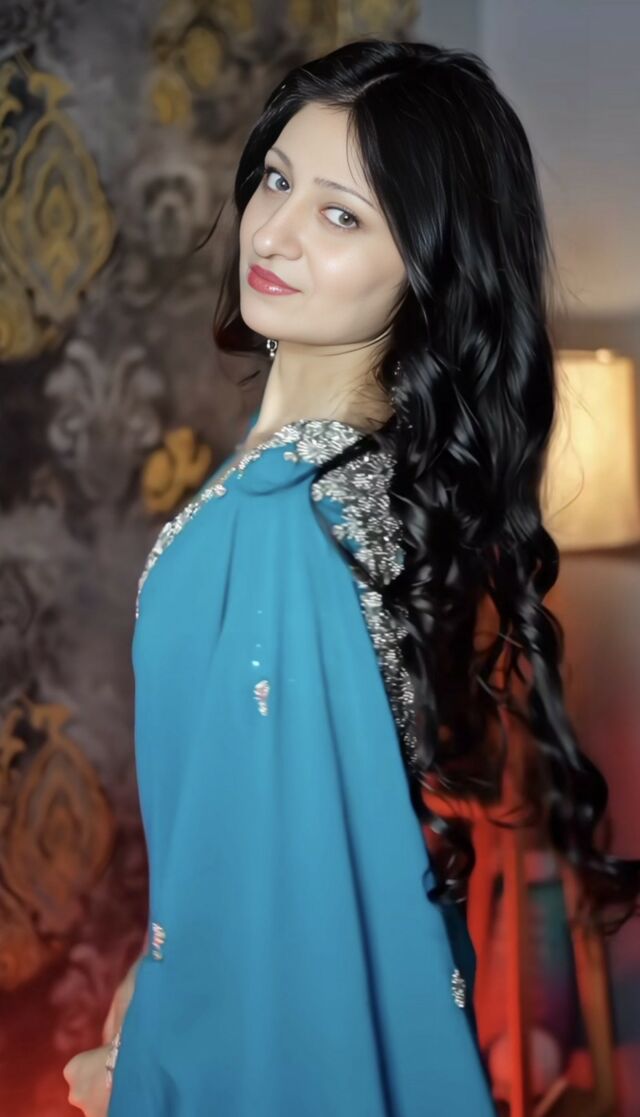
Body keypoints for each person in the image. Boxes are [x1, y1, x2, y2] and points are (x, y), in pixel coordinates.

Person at [64, 37, 640, 1117]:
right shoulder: (348, 480)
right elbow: (258, 850)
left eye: (341, 215)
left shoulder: (289, 519)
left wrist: (146, 1077)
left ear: (426, 266)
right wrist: (157, 982)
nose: (274, 231)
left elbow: (301, 934)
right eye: (277, 180)